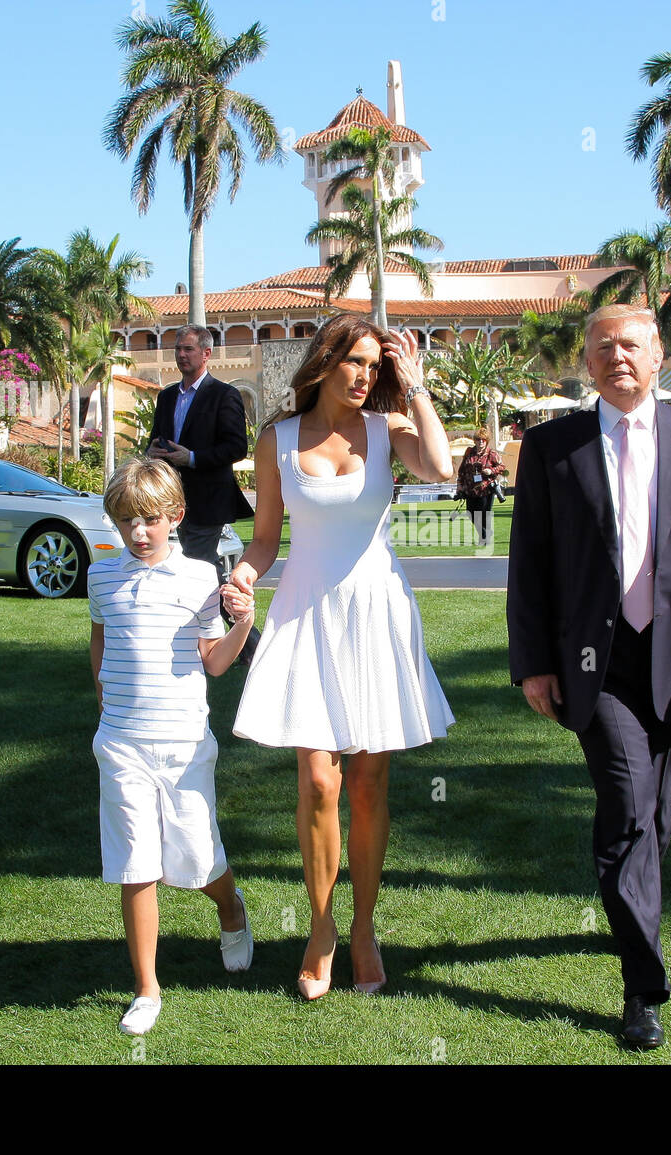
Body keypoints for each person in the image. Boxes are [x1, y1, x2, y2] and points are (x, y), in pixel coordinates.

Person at [507, 304, 671, 1049]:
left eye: (631, 345)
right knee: (624, 800)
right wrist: (534, 663)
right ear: (586, 362)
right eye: (602, 346)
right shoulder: (551, 447)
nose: (617, 356)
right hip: (596, 664)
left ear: (658, 357)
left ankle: (631, 911)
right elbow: (531, 566)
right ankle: (641, 987)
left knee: (657, 814)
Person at [224, 314, 454, 1000]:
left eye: (373, 366)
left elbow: (442, 466)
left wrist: (413, 388)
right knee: (319, 782)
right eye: (353, 361)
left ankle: (363, 928)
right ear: (323, 361)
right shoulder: (278, 440)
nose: (363, 375)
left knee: (367, 783)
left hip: (377, 611)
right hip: (305, 611)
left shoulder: (391, 432)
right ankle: (321, 927)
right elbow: (265, 539)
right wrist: (242, 573)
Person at [89, 458, 256, 1036]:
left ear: (176, 517)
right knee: (135, 862)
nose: (138, 533)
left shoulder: (199, 578)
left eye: (150, 521)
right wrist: (104, 700)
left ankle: (231, 907)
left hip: (183, 743)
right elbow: (102, 640)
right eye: (128, 522)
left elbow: (214, 664)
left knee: (195, 855)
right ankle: (146, 989)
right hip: (120, 744)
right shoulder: (102, 576)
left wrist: (240, 626)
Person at [147, 322, 252, 571]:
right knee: (180, 566)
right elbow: (154, 440)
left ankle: (218, 608)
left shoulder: (224, 395)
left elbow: (237, 447)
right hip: (169, 502)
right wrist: (151, 453)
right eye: (177, 349)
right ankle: (218, 606)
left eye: (188, 349)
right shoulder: (167, 397)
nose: (181, 355)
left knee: (198, 564)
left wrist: (192, 458)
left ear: (206, 353)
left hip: (207, 502)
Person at [455, 430, 507, 546]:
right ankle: (485, 534)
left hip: (486, 489)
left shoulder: (491, 454)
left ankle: (484, 538)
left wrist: (491, 470)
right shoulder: (469, 452)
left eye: (483, 440)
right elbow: (462, 470)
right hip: (470, 489)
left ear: (486, 441)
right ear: (475, 441)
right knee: (471, 513)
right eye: (478, 440)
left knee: (484, 514)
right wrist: (460, 487)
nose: (481, 442)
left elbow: (502, 467)